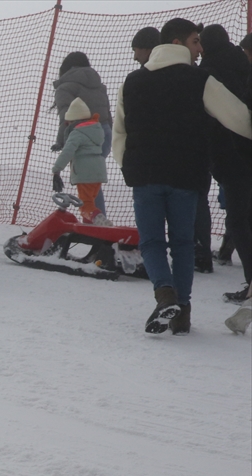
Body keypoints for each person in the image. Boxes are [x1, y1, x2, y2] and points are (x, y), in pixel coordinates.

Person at [113, 17, 252, 335]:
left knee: (150, 242)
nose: (200, 49)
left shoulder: (132, 81)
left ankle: (164, 295)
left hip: (145, 175)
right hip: (187, 176)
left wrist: (127, 168)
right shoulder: (201, 79)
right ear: (177, 44)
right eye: (195, 41)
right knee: (183, 244)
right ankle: (182, 314)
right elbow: (239, 119)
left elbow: (120, 131)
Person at [199, 24, 251, 305]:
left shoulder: (209, 69)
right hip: (246, 152)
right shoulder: (242, 63)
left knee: (237, 219)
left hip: (231, 153)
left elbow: (211, 114)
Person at [52, 52, 112, 215]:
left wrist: (61, 141)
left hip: (81, 135)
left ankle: (94, 224)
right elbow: (107, 113)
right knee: (93, 182)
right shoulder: (98, 84)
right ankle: (97, 222)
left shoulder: (65, 87)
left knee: (85, 183)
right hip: (103, 134)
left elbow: (66, 116)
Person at [52, 98, 109, 224]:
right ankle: (89, 228)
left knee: (85, 205)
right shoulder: (97, 130)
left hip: (85, 173)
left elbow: (67, 152)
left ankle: (100, 220)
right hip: (99, 172)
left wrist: (56, 170)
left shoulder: (77, 133)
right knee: (91, 202)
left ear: (73, 120)